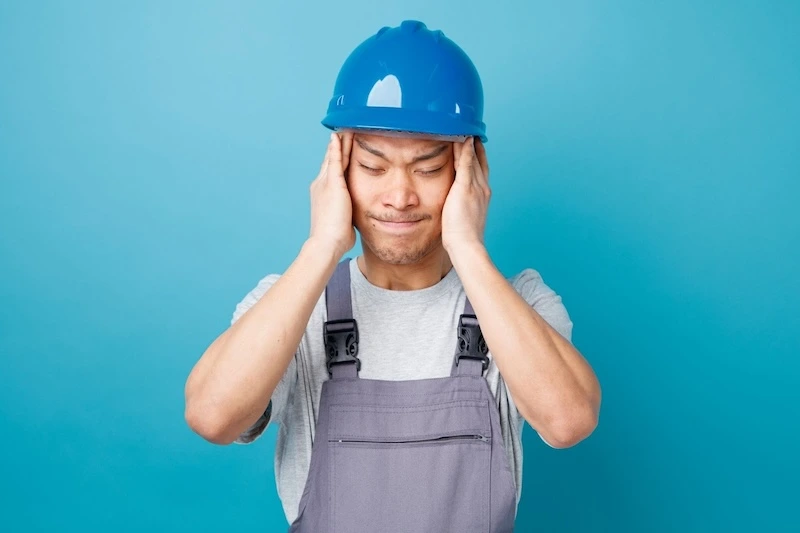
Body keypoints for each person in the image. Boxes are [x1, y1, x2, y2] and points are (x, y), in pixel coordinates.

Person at [185, 20, 601, 532]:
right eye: (373, 167)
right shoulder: (293, 305)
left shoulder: (519, 304)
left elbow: (568, 421)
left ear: (469, 172)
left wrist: (468, 248)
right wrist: (321, 247)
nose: (400, 197)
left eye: (427, 169)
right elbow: (212, 416)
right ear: (338, 171)